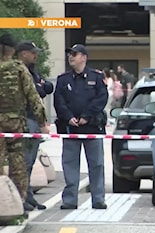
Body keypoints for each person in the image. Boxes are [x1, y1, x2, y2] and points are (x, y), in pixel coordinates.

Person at [53, 44, 108, 210]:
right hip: (70, 128)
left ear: (84, 57)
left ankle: (98, 199)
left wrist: (86, 116)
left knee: (96, 164)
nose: (71, 57)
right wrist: (68, 117)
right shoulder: (63, 79)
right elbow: (59, 101)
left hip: (92, 127)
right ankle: (70, 200)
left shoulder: (97, 77)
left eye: (74, 54)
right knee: (69, 164)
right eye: (70, 54)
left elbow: (101, 98)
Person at [0, 33, 50, 207]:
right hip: (16, 124)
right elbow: (33, 97)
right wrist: (43, 123)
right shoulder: (19, 69)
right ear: (13, 50)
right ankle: (18, 204)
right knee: (18, 165)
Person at [16, 40, 54, 211]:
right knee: (24, 161)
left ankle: (27, 195)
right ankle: (21, 197)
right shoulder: (19, 71)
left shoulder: (33, 71)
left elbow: (47, 87)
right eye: (32, 52)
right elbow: (36, 92)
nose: (35, 55)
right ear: (24, 53)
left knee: (30, 161)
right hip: (26, 120)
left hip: (34, 119)